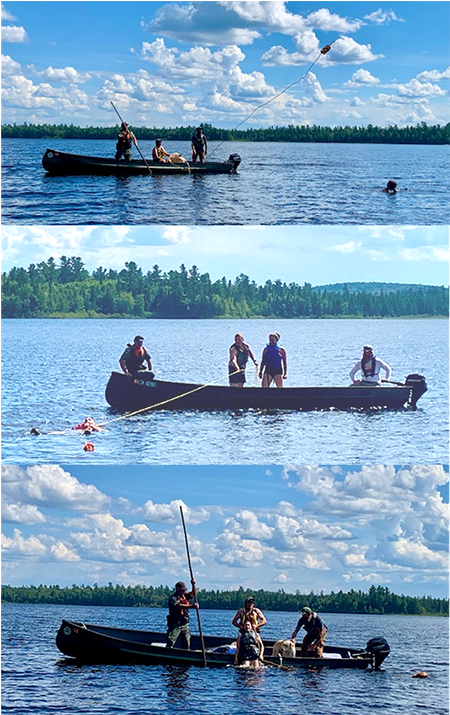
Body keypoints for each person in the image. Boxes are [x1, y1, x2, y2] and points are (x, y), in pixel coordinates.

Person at [166, 579, 199, 649]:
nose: (183, 591)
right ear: (177, 589)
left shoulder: (185, 595)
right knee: (171, 641)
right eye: (182, 590)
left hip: (184, 624)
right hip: (175, 624)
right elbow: (179, 606)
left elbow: (194, 593)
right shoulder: (173, 598)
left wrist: (193, 584)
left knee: (186, 642)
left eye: (184, 590)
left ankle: (186, 654)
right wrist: (192, 606)